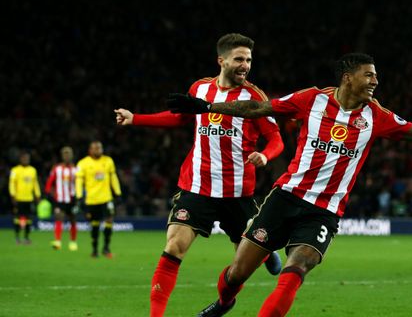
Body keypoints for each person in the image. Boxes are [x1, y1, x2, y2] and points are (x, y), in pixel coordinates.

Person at [167, 52, 412, 317]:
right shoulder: (312, 99)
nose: (375, 82)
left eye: (376, 77)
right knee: (237, 272)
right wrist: (205, 105)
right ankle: (225, 302)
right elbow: (259, 109)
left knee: (297, 267)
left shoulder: (376, 117)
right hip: (285, 197)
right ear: (348, 77)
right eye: (369, 75)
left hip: (324, 211)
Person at [114, 33, 285, 317]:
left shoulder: (255, 97)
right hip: (197, 186)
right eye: (239, 59)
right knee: (174, 246)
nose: (245, 65)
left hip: (237, 193)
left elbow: (276, 139)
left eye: (249, 60)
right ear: (221, 60)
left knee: (241, 268)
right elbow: (180, 117)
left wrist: (266, 155)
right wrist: (136, 118)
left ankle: (228, 299)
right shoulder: (200, 89)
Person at [76, 140, 121, 258]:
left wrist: (118, 193)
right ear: (90, 150)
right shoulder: (83, 163)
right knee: (94, 224)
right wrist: (79, 196)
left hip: (106, 198)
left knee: (109, 220)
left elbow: (113, 177)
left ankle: (106, 248)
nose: (98, 150)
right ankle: (95, 249)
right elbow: (79, 181)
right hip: (91, 200)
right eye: (95, 148)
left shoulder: (108, 161)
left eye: (100, 148)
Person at [45, 146, 79, 251]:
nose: (67, 155)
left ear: (72, 155)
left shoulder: (76, 170)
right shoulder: (56, 169)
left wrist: (79, 197)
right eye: (65, 153)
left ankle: (73, 243)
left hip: (72, 199)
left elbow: (80, 184)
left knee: (72, 220)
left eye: (69, 153)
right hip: (59, 199)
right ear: (62, 156)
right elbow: (49, 184)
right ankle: (58, 242)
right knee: (59, 218)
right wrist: (52, 194)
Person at [9, 152, 40, 245]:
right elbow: (11, 183)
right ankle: (17, 237)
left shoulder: (33, 170)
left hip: (29, 198)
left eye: (27, 158)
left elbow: (35, 183)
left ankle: (26, 238)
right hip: (19, 198)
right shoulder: (15, 170)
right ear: (20, 159)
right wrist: (12, 195)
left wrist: (37, 194)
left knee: (29, 219)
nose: (26, 160)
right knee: (18, 219)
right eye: (24, 158)